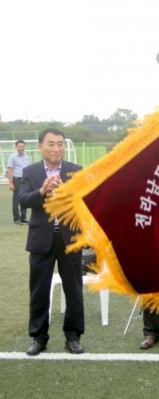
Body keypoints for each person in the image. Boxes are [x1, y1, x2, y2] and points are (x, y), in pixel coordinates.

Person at [19, 128, 85, 356]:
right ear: (40, 147)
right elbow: (24, 200)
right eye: (51, 144)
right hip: (41, 240)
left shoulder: (76, 171)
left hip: (69, 238)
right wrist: (43, 190)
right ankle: (38, 337)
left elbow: (84, 202)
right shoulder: (30, 172)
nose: (57, 148)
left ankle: (73, 337)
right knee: (38, 291)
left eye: (60, 144)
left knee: (74, 290)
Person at [7, 139, 30, 225]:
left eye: (22, 146)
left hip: (25, 180)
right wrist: (10, 183)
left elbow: (28, 169)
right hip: (16, 179)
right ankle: (16, 219)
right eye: (19, 146)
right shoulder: (12, 157)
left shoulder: (26, 157)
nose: (21, 148)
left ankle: (23, 218)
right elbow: (10, 170)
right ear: (16, 147)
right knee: (16, 200)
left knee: (24, 198)